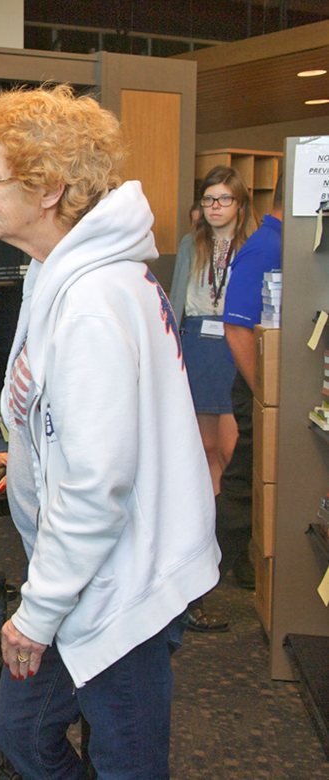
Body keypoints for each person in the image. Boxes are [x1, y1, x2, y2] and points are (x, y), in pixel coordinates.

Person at [0, 84, 219, 779]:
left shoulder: (95, 299)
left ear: (47, 190)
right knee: (22, 732)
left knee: (124, 760)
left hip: (120, 583)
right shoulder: (60, 274)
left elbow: (99, 482)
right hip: (80, 571)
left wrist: (35, 615)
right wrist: (30, 457)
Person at [168, 167, 257, 632]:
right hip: (198, 345)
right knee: (203, 454)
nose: (216, 207)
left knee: (234, 450)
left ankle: (238, 545)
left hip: (236, 343)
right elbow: (178, 299)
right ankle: (210, 551)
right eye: (209, 199)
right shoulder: (191, 244)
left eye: (225, 199)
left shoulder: (255, 243)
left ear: (240, 203)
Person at [219, 174, 285, 592]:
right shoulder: (265, 247)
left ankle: (239, 564)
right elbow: (237, 328)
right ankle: (213, 572)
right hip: (258, 386)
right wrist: (266, 394)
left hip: (268, 386)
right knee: (244, 481)